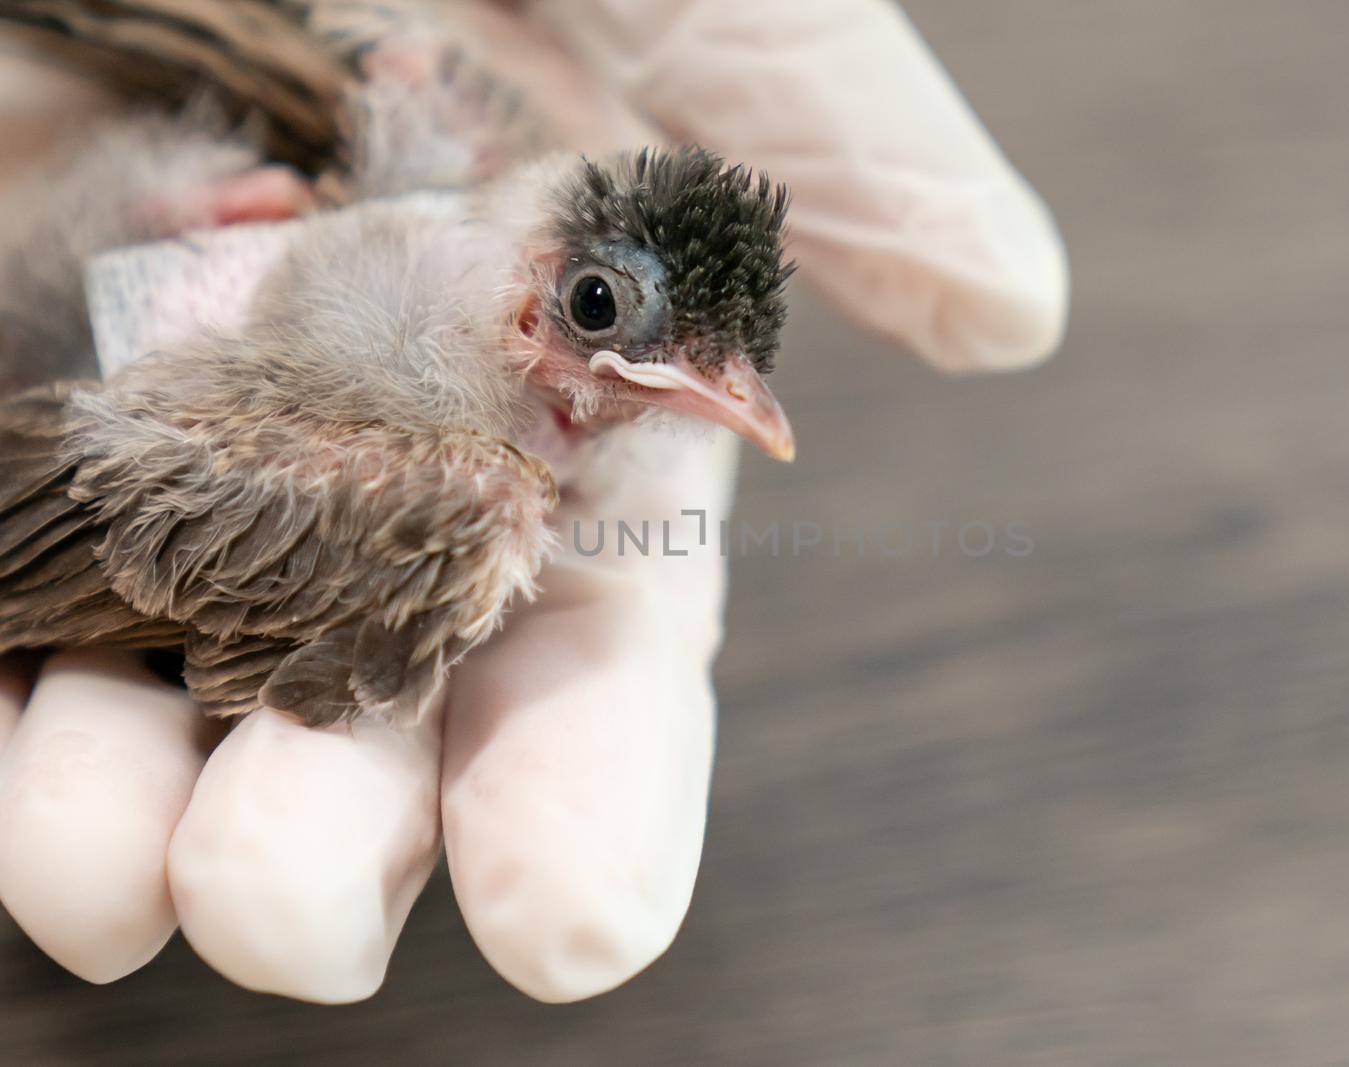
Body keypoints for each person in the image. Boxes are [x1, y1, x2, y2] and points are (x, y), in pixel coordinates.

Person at [0, 0, 1066, 1003]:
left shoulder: (456, 147)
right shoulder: (464, 487)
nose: (707, 396)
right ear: (531, 289)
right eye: (598, 306)